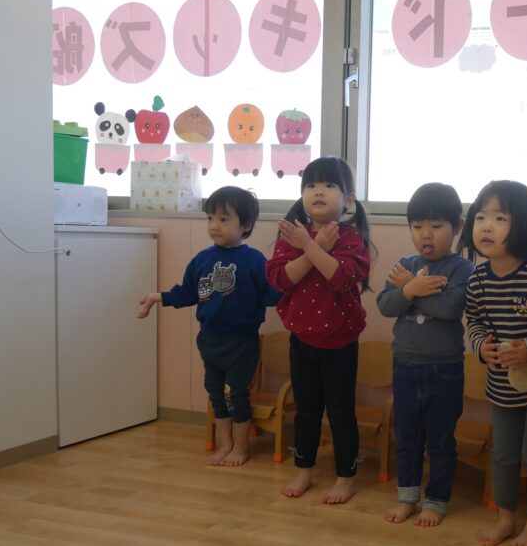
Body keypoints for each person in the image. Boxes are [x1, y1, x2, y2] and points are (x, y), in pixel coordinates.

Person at [459, 180, 527, 546]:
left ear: (524, 226)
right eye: (481, 217)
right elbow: (474, 322)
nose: (486, 226)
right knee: (503, 455)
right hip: (503, 387)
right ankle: (505, 519)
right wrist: (481, 347)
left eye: (500, 218)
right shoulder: (477, 279)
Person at [137, 186, 278, 466]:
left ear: (246, 225)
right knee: (216, 394)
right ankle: (226, 444)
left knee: (236, 395)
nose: (214, 226)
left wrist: (291, 279)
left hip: (241, 343)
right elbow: (187, 293)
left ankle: (241, 448)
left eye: (223, 219)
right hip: (209, 340)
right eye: (210, 218)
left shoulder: (255, 261)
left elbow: (272, 296)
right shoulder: (202, 259)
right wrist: (157, 297)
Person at [266, 157, 374, 505]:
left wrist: (312, 246)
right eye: (311, 185)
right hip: (302, 340)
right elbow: (281, 280)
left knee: (341, 413)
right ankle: (304, 470)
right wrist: (310, 245)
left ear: (348, 199)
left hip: (341, 342)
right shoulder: (292, 235)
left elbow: (342, 278)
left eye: (329, 185)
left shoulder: (351, 238)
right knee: (307, 410)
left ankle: (346, 476)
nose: (318, 192)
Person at [377, 183, 474, 526]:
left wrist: (413, 290)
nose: (426, 234)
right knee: (407, 436)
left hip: (444, 368)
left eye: (436, 225)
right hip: (404, 364)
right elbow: (385, 305)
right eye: (417, 226)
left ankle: (436, 499)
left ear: (457, 226)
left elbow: (450, 309)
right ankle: (407, 498)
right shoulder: (405, 265)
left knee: (440, 440)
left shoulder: (462, 269)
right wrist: (409, 288)